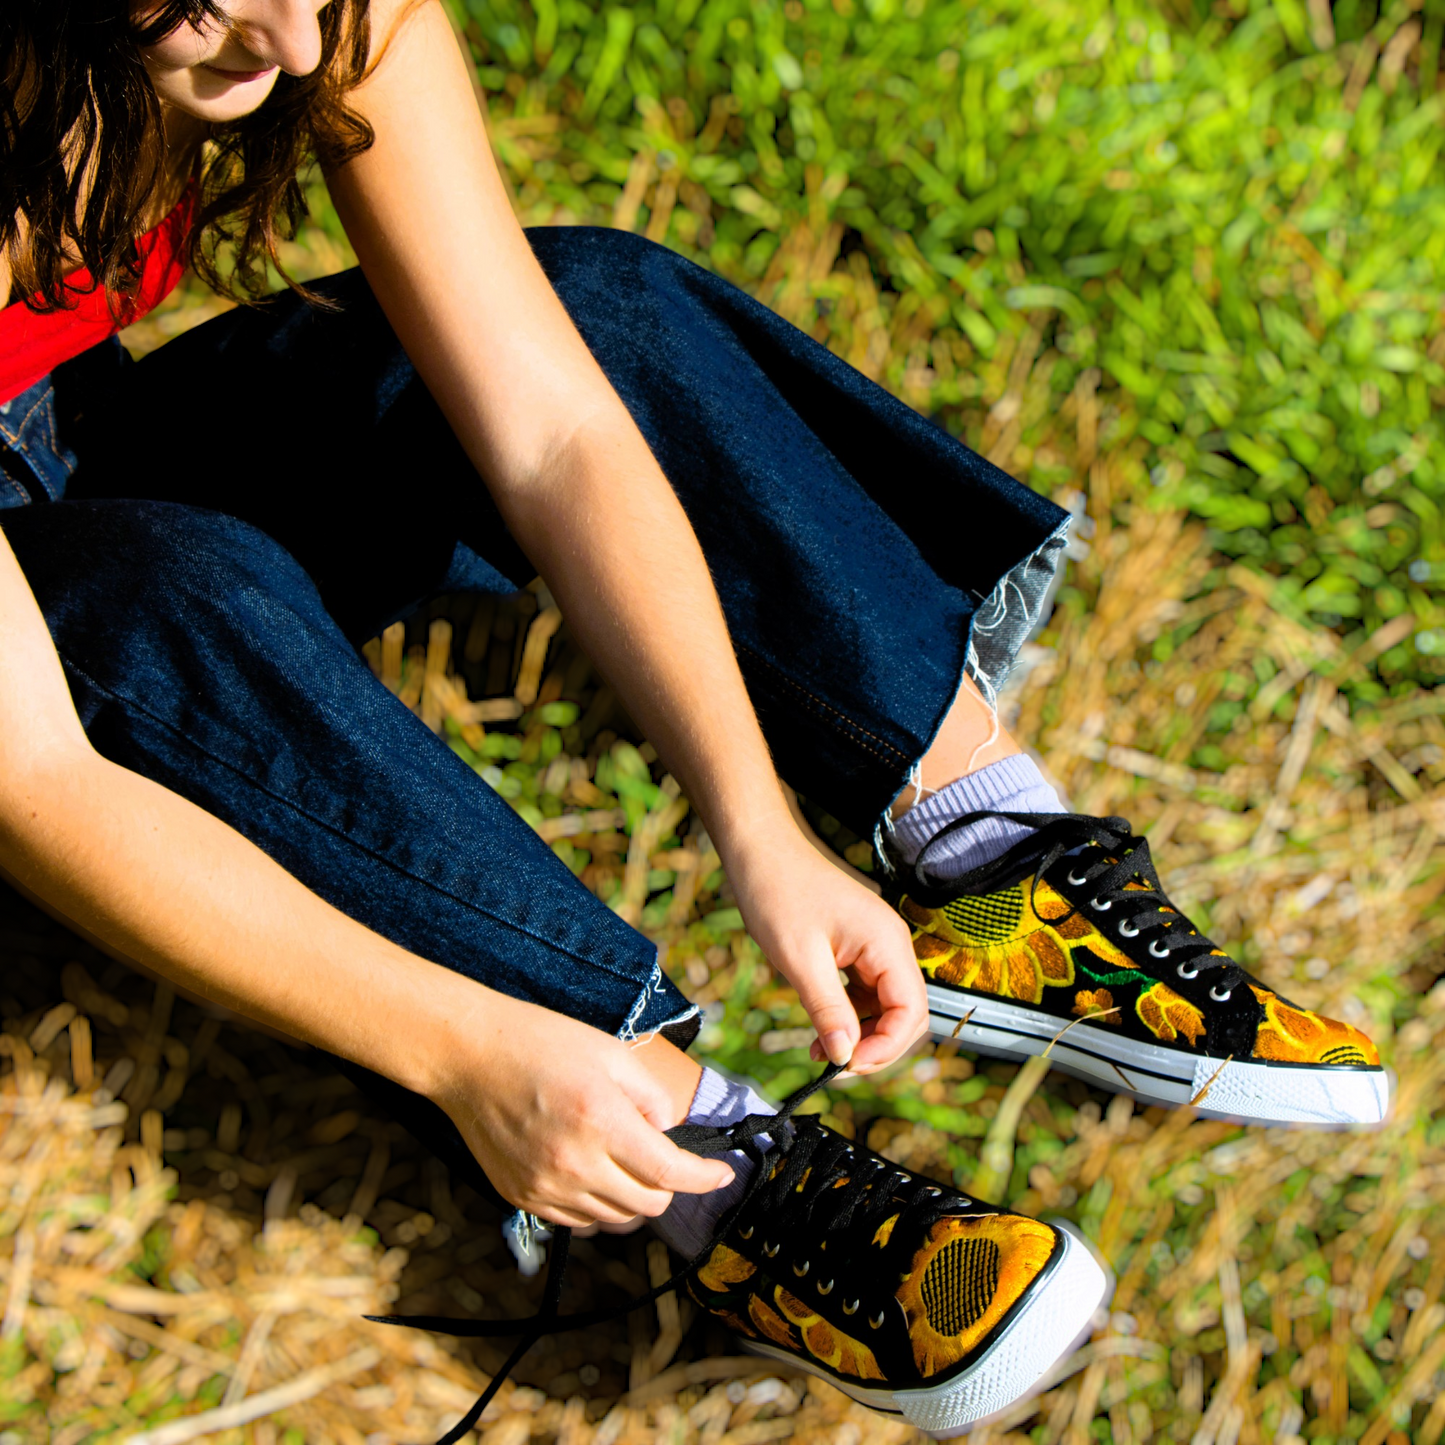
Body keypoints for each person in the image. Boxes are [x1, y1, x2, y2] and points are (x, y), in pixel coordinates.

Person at [0, 0, 1385, 1436]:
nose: (292, 44)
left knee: (599, 305)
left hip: (68, 427)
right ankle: (699, 1166)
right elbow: (33, 774)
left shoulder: (334, 20)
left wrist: (757, 825)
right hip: (33, 686)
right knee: (147, 596)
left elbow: (555, 429)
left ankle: (996, 856)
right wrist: (463, 1054)